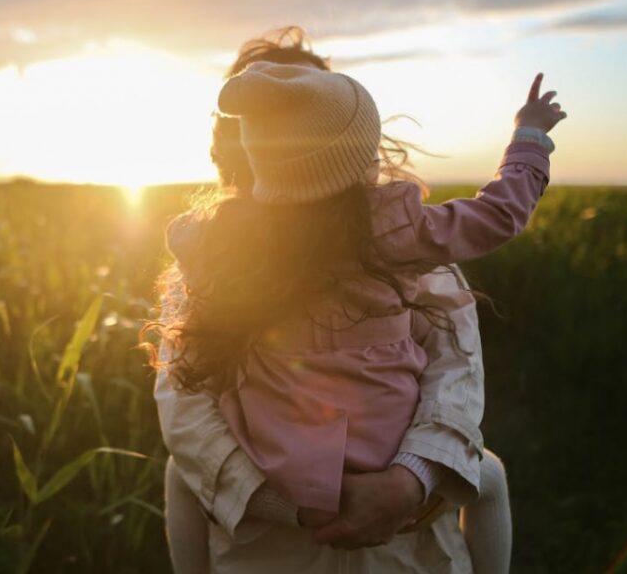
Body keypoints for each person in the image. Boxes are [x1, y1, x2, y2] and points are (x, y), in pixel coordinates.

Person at [150, 29, 562, 573]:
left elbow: (454, 374)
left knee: (180, 476)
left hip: (377, 521)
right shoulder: (399, 237)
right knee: (488, 475)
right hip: (279, 533)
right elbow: (186, 404)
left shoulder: (218, 247)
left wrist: (405, 482)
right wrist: (528, 138)